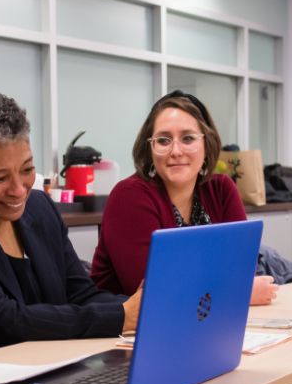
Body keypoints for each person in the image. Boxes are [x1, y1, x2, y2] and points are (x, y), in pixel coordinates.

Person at [0, 91, 141, 355]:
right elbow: (4, 321)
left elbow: (80, 294)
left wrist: (141, 310)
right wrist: (121, 316)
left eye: (27, 170)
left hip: (57, 367)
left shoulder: (40, 208)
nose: (19, 190)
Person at [90, 90, 280, 304]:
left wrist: (230, 287)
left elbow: (242, 270)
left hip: (205, 319)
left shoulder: (221, 189)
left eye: (188, 138)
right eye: (163, 140)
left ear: (207, 144)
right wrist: (236, 292)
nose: (176, 151)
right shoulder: (129, 197)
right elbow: (153, 292)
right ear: (150, 148)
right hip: (121, 332)